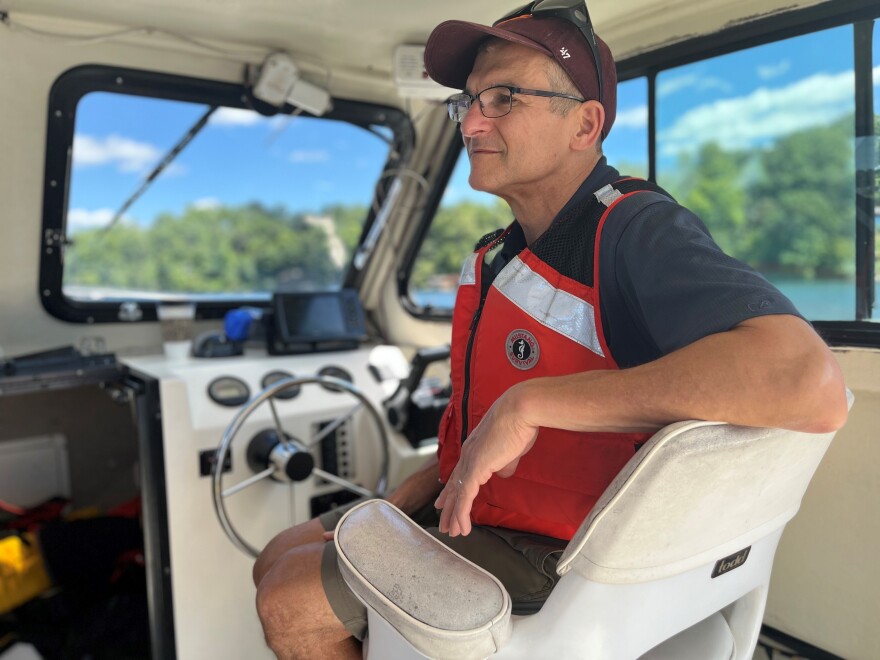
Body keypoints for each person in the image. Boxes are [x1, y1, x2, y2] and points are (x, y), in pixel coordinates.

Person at [252, 2, 849, 657]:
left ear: (585, 124)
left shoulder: (634, 231)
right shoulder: (500, 254)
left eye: (504, 97)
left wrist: (530, 403)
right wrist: (429, 482)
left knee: (291, 599)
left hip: (566, 553)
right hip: (489, 511)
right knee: (279, 554)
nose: (472, 121)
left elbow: (807, 381)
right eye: (469, 100)